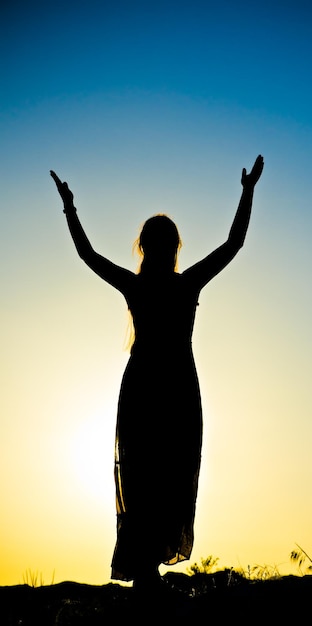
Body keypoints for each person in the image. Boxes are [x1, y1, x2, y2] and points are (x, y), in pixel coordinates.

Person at [50, 155, 264, 590]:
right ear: (173, 247)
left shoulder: (143, 285)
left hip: (148, 386)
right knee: (163, 472)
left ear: (144, 247)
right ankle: (147, 570)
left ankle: (145, 569)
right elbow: (233, 243)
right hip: (175, 388)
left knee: (148, 473)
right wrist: (248, 190)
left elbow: (87, 254)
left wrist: (71, 207)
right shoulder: (184, 285)